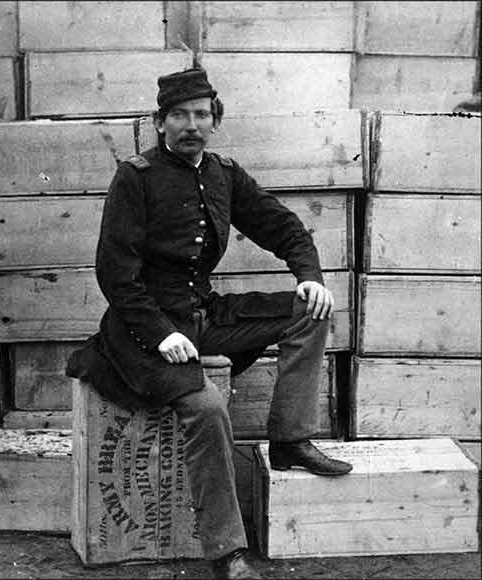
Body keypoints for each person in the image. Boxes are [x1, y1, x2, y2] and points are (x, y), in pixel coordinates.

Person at [66, 67, 352, 580]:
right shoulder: (136, 177)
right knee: (207, 408)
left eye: (201, 114)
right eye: (179, 115)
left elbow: (284, 227)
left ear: (214, 120)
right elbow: (115, 276)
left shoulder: (223, 173)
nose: (190, 124)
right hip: (140, 333)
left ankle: (289, 440)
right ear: (160, 123)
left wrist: (308, 275)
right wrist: (162, 333)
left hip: (204, 316)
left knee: (310, 308)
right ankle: (228, 552)